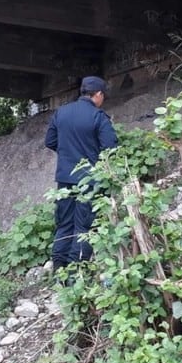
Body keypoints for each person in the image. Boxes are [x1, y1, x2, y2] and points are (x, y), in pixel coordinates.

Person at [44, 76, 118, 272]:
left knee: (64, 225)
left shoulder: (61, 113)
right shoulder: (98, 116)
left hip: (64, 180)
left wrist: (68, 153)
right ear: (99, 94)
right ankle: (76, 274)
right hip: (89, 181)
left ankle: (59, 270)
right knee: (83, 227)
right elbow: (110, 148)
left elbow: (50, 141)